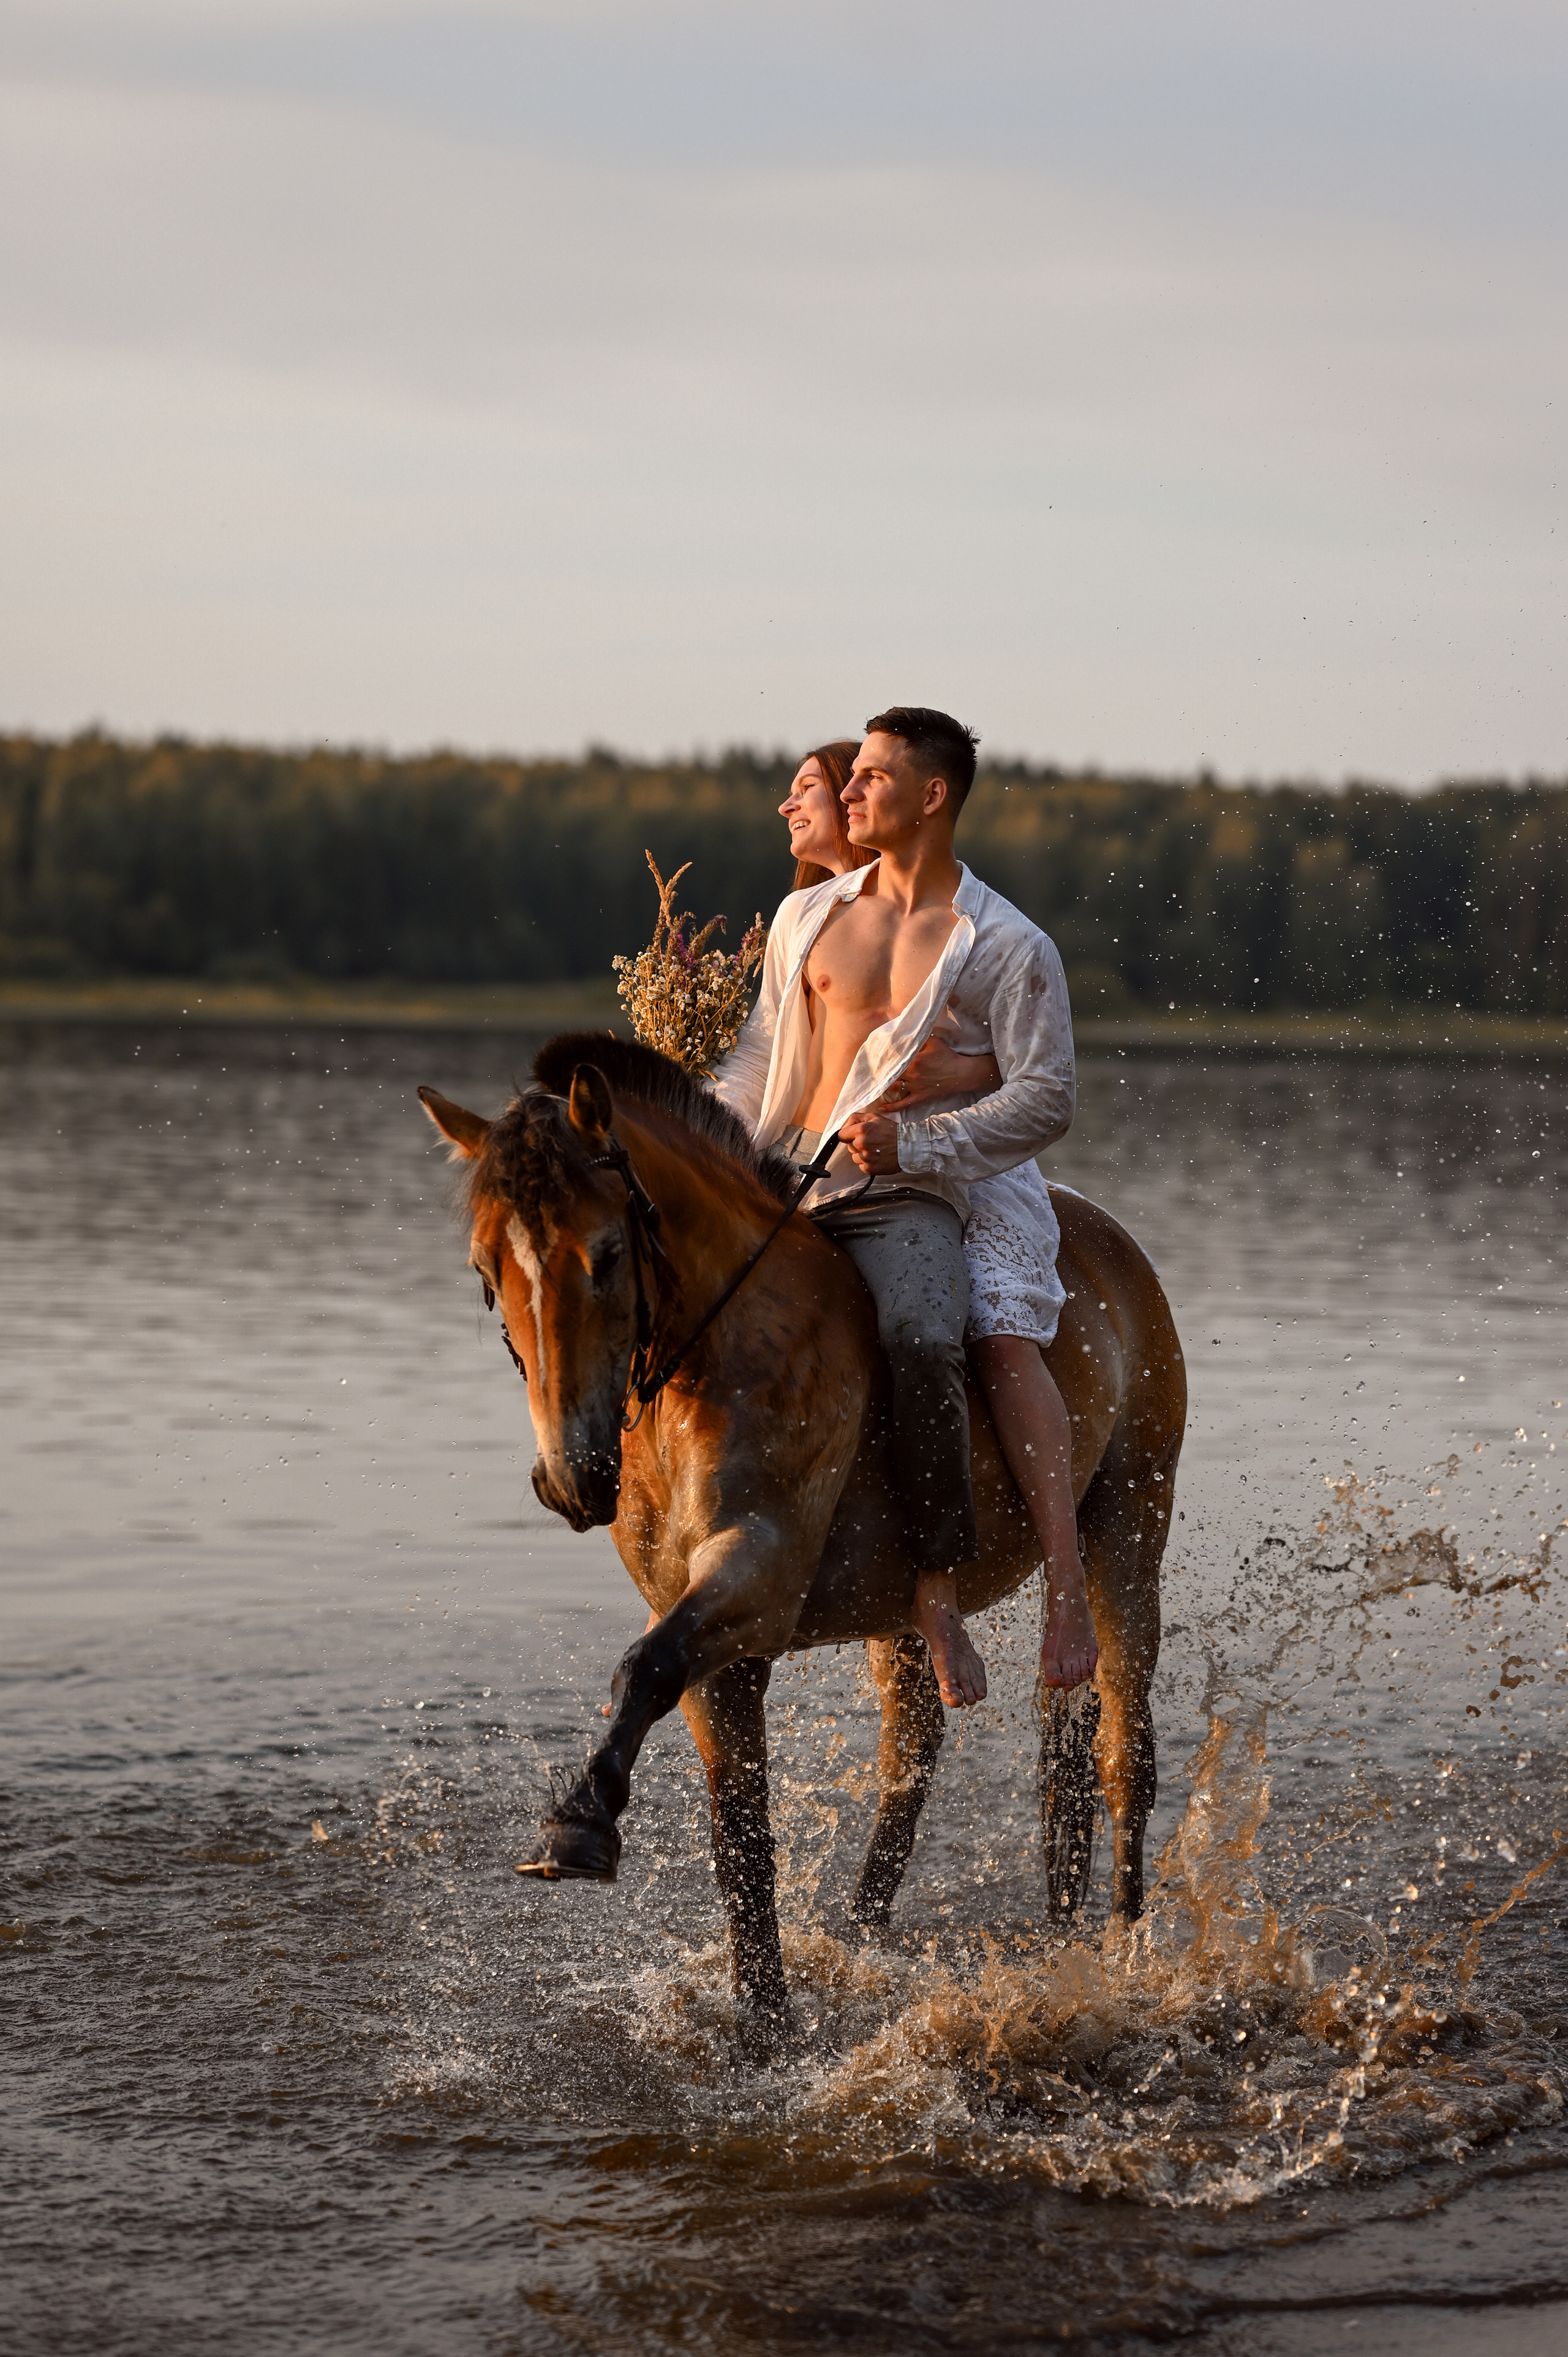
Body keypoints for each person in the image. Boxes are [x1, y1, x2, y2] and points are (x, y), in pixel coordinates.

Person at [713, 710, 1098, 1709]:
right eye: (853, 776)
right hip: (782, 1180)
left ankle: (937, 1592)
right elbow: (762, 1056)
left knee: (928, 1331)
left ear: (933, 796)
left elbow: (1047, 1095)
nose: (849, 791)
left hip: (901, 1195)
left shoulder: (1008, 946)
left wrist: (917, 1143)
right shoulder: (808, 919)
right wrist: (700, 1139)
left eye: (873, 777)